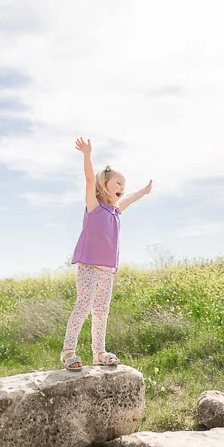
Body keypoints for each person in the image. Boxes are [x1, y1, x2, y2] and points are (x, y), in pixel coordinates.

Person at [60, 137, 152, 371]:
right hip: (89, 266)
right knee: (83, 306)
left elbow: (129, 199)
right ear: (104, 185)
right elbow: (90, 179)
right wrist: (87, 155)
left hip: (106, 270)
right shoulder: (94, 206)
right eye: (118, 183)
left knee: (101, 311)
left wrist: (143, 191)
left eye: (124, 184)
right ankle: (68, 351)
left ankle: (99, 353)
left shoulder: (115, 210)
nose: (122, 188)